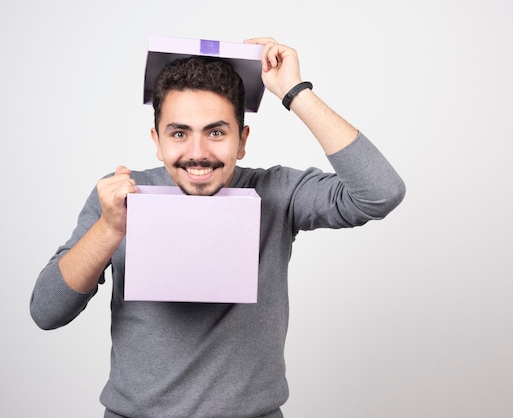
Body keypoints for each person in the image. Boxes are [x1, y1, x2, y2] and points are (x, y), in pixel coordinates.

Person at [30, 37, 405, 418]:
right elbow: (47, 311)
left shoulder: (277, 192)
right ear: (156, 141)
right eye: (179, 133)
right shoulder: (119, 196)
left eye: (216, 132)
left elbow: (381, 192)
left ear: (241, 141)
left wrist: (294, 92)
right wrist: (109, 228)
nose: (197, 153)